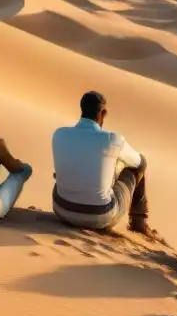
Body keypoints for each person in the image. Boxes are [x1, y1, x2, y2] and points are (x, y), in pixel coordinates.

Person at [51, 90, 150, 234]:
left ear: (82, 110)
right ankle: (139, 224)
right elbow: (138, 162)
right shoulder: (112, 140)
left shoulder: (59, 134)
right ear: (103, 114)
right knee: (138, 166)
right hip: (99, 216)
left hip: (61, 210)